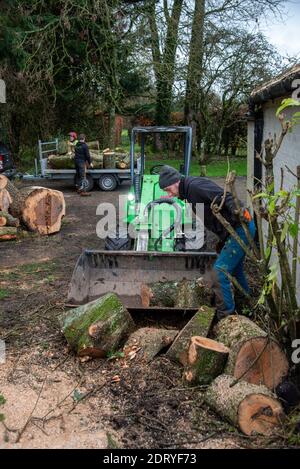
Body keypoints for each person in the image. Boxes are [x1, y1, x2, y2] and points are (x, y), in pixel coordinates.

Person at [158, 165, 256, 319]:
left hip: (241, 227)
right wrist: (224, 239)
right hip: (232, 231)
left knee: (220, 271)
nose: (168, 193)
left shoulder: (195, 186)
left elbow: (224, 196)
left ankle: (225, 315)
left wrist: (239, 210)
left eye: (168, 189)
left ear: (176, 181)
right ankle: (247, 304)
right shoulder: (188, 191)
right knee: (235, 270)